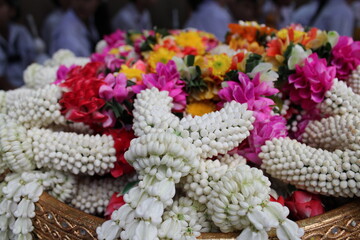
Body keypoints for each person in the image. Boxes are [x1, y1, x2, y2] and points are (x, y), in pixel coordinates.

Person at [0, 0, 36, 90]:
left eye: (0, 6)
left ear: (12, 10)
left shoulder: (21, 32)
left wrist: (33, 83)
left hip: (28, 84)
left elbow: (32, 61)